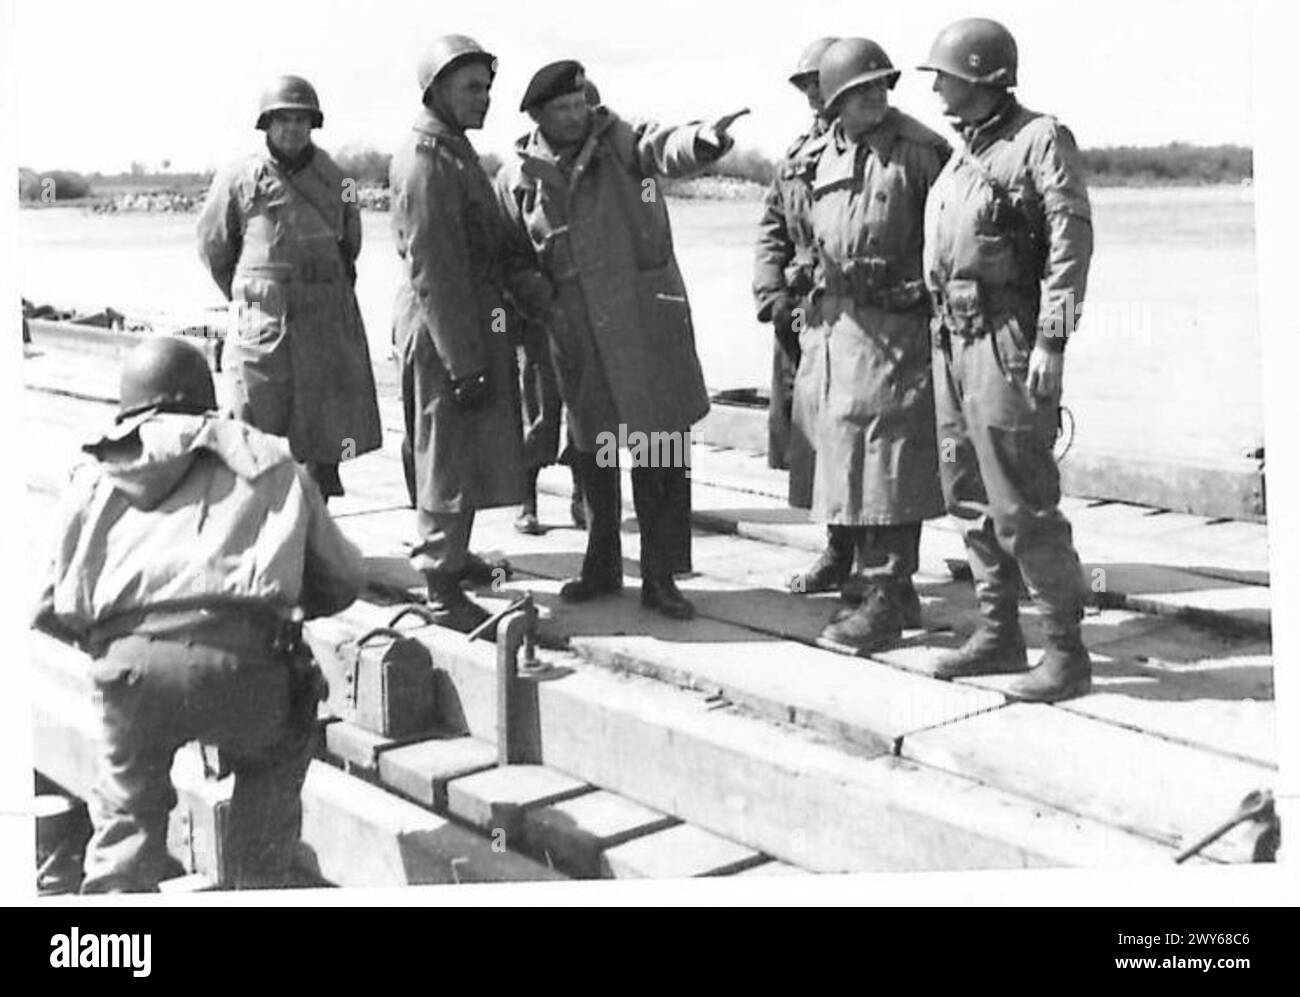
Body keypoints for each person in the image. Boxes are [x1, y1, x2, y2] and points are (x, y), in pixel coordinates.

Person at [33, 337, 364, 892]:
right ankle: (259, 876)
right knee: (282, 740)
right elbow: (345, 580)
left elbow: (47, 606)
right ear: (206, 400)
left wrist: (117, 639)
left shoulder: (92, 475)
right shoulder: (270, 458)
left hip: (132, 673)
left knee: (125, 822)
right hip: (247, 670)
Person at [495, 59, 749, 620]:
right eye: (563, 108)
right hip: (579, 338)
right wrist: (542, 300)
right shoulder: (518, 177)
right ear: (539, 117)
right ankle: (602, 563)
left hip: (645, 331)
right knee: (596, 454)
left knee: (658, 454)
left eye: (580, 102)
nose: (576, 114)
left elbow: (665, 148)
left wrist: (704, 141)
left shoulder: (621, 143)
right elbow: (511, 255)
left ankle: (660, 576)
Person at [919, 18, 1095, 702]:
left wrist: (1053, 340)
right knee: (966, 491)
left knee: (1023, 500)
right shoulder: (965, 151)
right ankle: (999, 632)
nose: (935, 86)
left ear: (979, 75)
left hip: (1008, 340)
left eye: (945, 75)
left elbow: (1070, 244)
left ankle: (1066, 651)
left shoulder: (1038, 139)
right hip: (953, 340)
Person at [389, 35, 552, 631]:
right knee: (446, 456)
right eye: (470, 88)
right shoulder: (429, 158)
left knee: (463, 450)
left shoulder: (454, 150)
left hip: (467, 319)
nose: (484, 99)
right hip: (445, 327)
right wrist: (465, 363)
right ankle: (439, 586)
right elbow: (434, 267)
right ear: (436, 90)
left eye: (486, 87)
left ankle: (454, 559)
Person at [797, 38, 951, 655]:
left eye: (883, 86)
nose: (878, 99)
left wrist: (920, 293)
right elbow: (804, 232)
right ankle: (878, 586)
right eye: (863, 91)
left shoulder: (921, 152)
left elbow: (954, 239)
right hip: (838, 333)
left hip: (899, 332)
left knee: (891, 462)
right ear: (835, 101)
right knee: (848, 461)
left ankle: (887, 596)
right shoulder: (825, 157)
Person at [197, 74, 382, 501]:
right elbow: (214, 248)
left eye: (302, 120)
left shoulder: (339, 178)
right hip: (263, 326)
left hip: (324, 326)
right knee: (248, 429)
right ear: (266, 124)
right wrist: (254, 293)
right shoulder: (237, 177)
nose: (293, 129)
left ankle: (316, 535)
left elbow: (350, 245)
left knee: (323, 437)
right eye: (284, 119)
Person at [753, 36, 836, 521]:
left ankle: (868, 555)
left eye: (819, 84)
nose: (812, 95)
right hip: (799, 307)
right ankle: (834, 544)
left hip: (847, 307)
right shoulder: (796, 154)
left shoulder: (873, 147)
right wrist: (772, 295)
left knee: (848, 432)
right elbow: (771, 227)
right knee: (805, 432)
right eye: (806, 86)